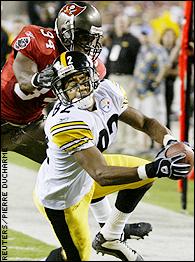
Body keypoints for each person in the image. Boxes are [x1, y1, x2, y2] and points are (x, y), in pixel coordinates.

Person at [1, 1, 150, 246]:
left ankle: (109, 231)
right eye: (82, 36)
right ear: (65, 31)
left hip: (30, 126)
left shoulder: (90, 65)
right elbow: (24, 83)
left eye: (92, 38)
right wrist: (40, 78)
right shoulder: (38, 39)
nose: (88, 43)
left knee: (81, 168)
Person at [33, 50, 192, 261]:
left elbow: (145, 123)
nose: (78, 88)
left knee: (143, 178)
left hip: (87, 176)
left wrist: (170, 141)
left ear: (94, 78)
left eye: (82, 80)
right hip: (63, 194)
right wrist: (157, 167)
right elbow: (102, 174)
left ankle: (111, 236)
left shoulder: (107, 91)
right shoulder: (64, 121)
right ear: (60, 89)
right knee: (77, 257)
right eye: (70, 84)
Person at [104, 14, 141, 153]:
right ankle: (118, 140)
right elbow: (109, 61)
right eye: (118, 22)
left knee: (127, 110)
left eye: (123, 22)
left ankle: (130, 143)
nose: (120, 24)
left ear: (128, 24)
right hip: (113, 78)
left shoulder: (134, 41)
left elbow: (139, 61)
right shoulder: (114, 39)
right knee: (114, 110)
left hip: (127, 79)